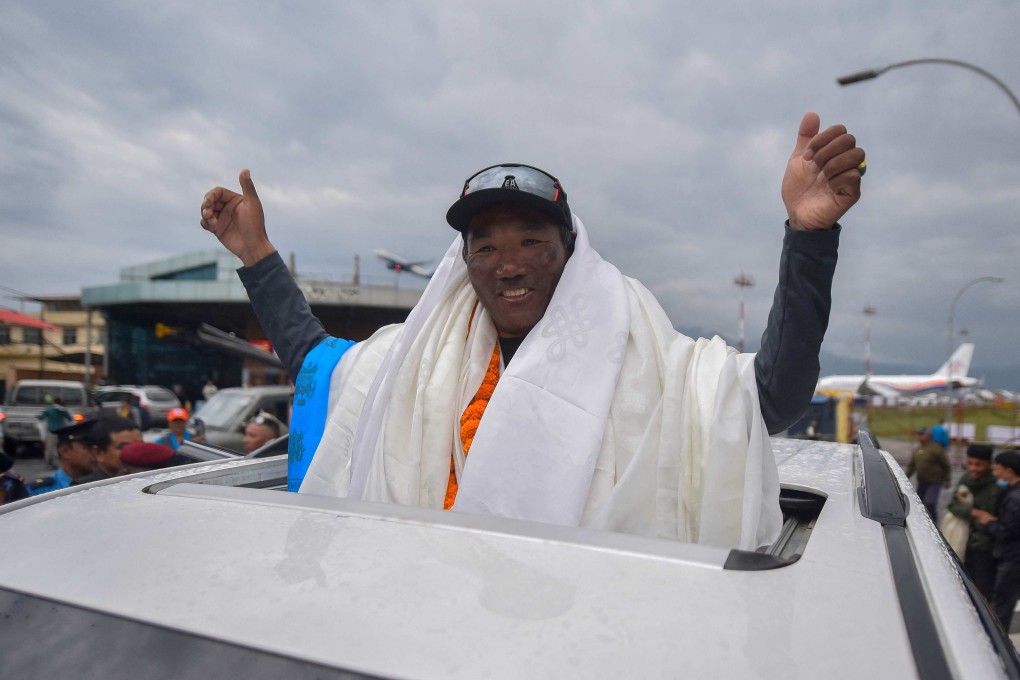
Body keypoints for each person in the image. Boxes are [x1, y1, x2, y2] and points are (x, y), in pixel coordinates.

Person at [201, 112, 865, 550]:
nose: (508, 264)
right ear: (463, 263)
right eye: (484, 245)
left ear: (570, 251)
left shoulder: (651, 364)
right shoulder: (416, 363)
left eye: (530, 239)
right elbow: (317, 360)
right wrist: (256, 254)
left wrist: (810, 237)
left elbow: (771, 396)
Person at [946, 444, 1002, 599]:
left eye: (978, 464)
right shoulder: (966, 479)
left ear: (989, 464)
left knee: (983, 593)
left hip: (985, 547)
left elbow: (995, 521)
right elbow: (953, 505)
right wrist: (974, 512)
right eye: (970, 463)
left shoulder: (997, 486)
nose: (973, 468)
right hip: (962, 542)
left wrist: (979, 518)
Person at [972, 451, 1020, 630]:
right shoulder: (1011, 492)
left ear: (1009, 471)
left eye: (998, 467)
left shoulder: (1015, 499)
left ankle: (999, 650)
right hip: (1011, 556)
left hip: (1012, 559)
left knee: (1002, 606)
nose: (995, 470)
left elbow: (1006, 532)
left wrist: (987, 521)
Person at [25, 420, 99, 496]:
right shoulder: (40, 491)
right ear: (65, 452)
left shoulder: (102, 485)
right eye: (87, 448)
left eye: (98, 449)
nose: (96, 453)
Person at [72, 416, 142, 484]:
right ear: (98, 453)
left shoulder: (149, 477)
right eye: (124, 447)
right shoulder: (83, 489)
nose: (135, 452)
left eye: (140, 445)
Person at [905, 427, 951, 521]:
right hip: (922, 482)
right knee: (919, 505)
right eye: (919, 435)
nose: (920, 437)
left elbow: (946, 465)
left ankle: (933, 523)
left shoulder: (937, 448)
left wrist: (947, 480)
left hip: (935, 482)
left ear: (929, 436)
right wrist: (905, 478)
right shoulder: (917, 450)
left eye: (922, 435)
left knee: (930, 503)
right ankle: (921, 522)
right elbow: (911, 466)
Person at [37, 395, 73, 469]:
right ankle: (59, 463)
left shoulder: (49, 409)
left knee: (50, 448)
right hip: (62, 431)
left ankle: (51, 463)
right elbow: (70, 419)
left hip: (51, 430)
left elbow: (41, 418)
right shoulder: (63, 410)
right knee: (60, 447)